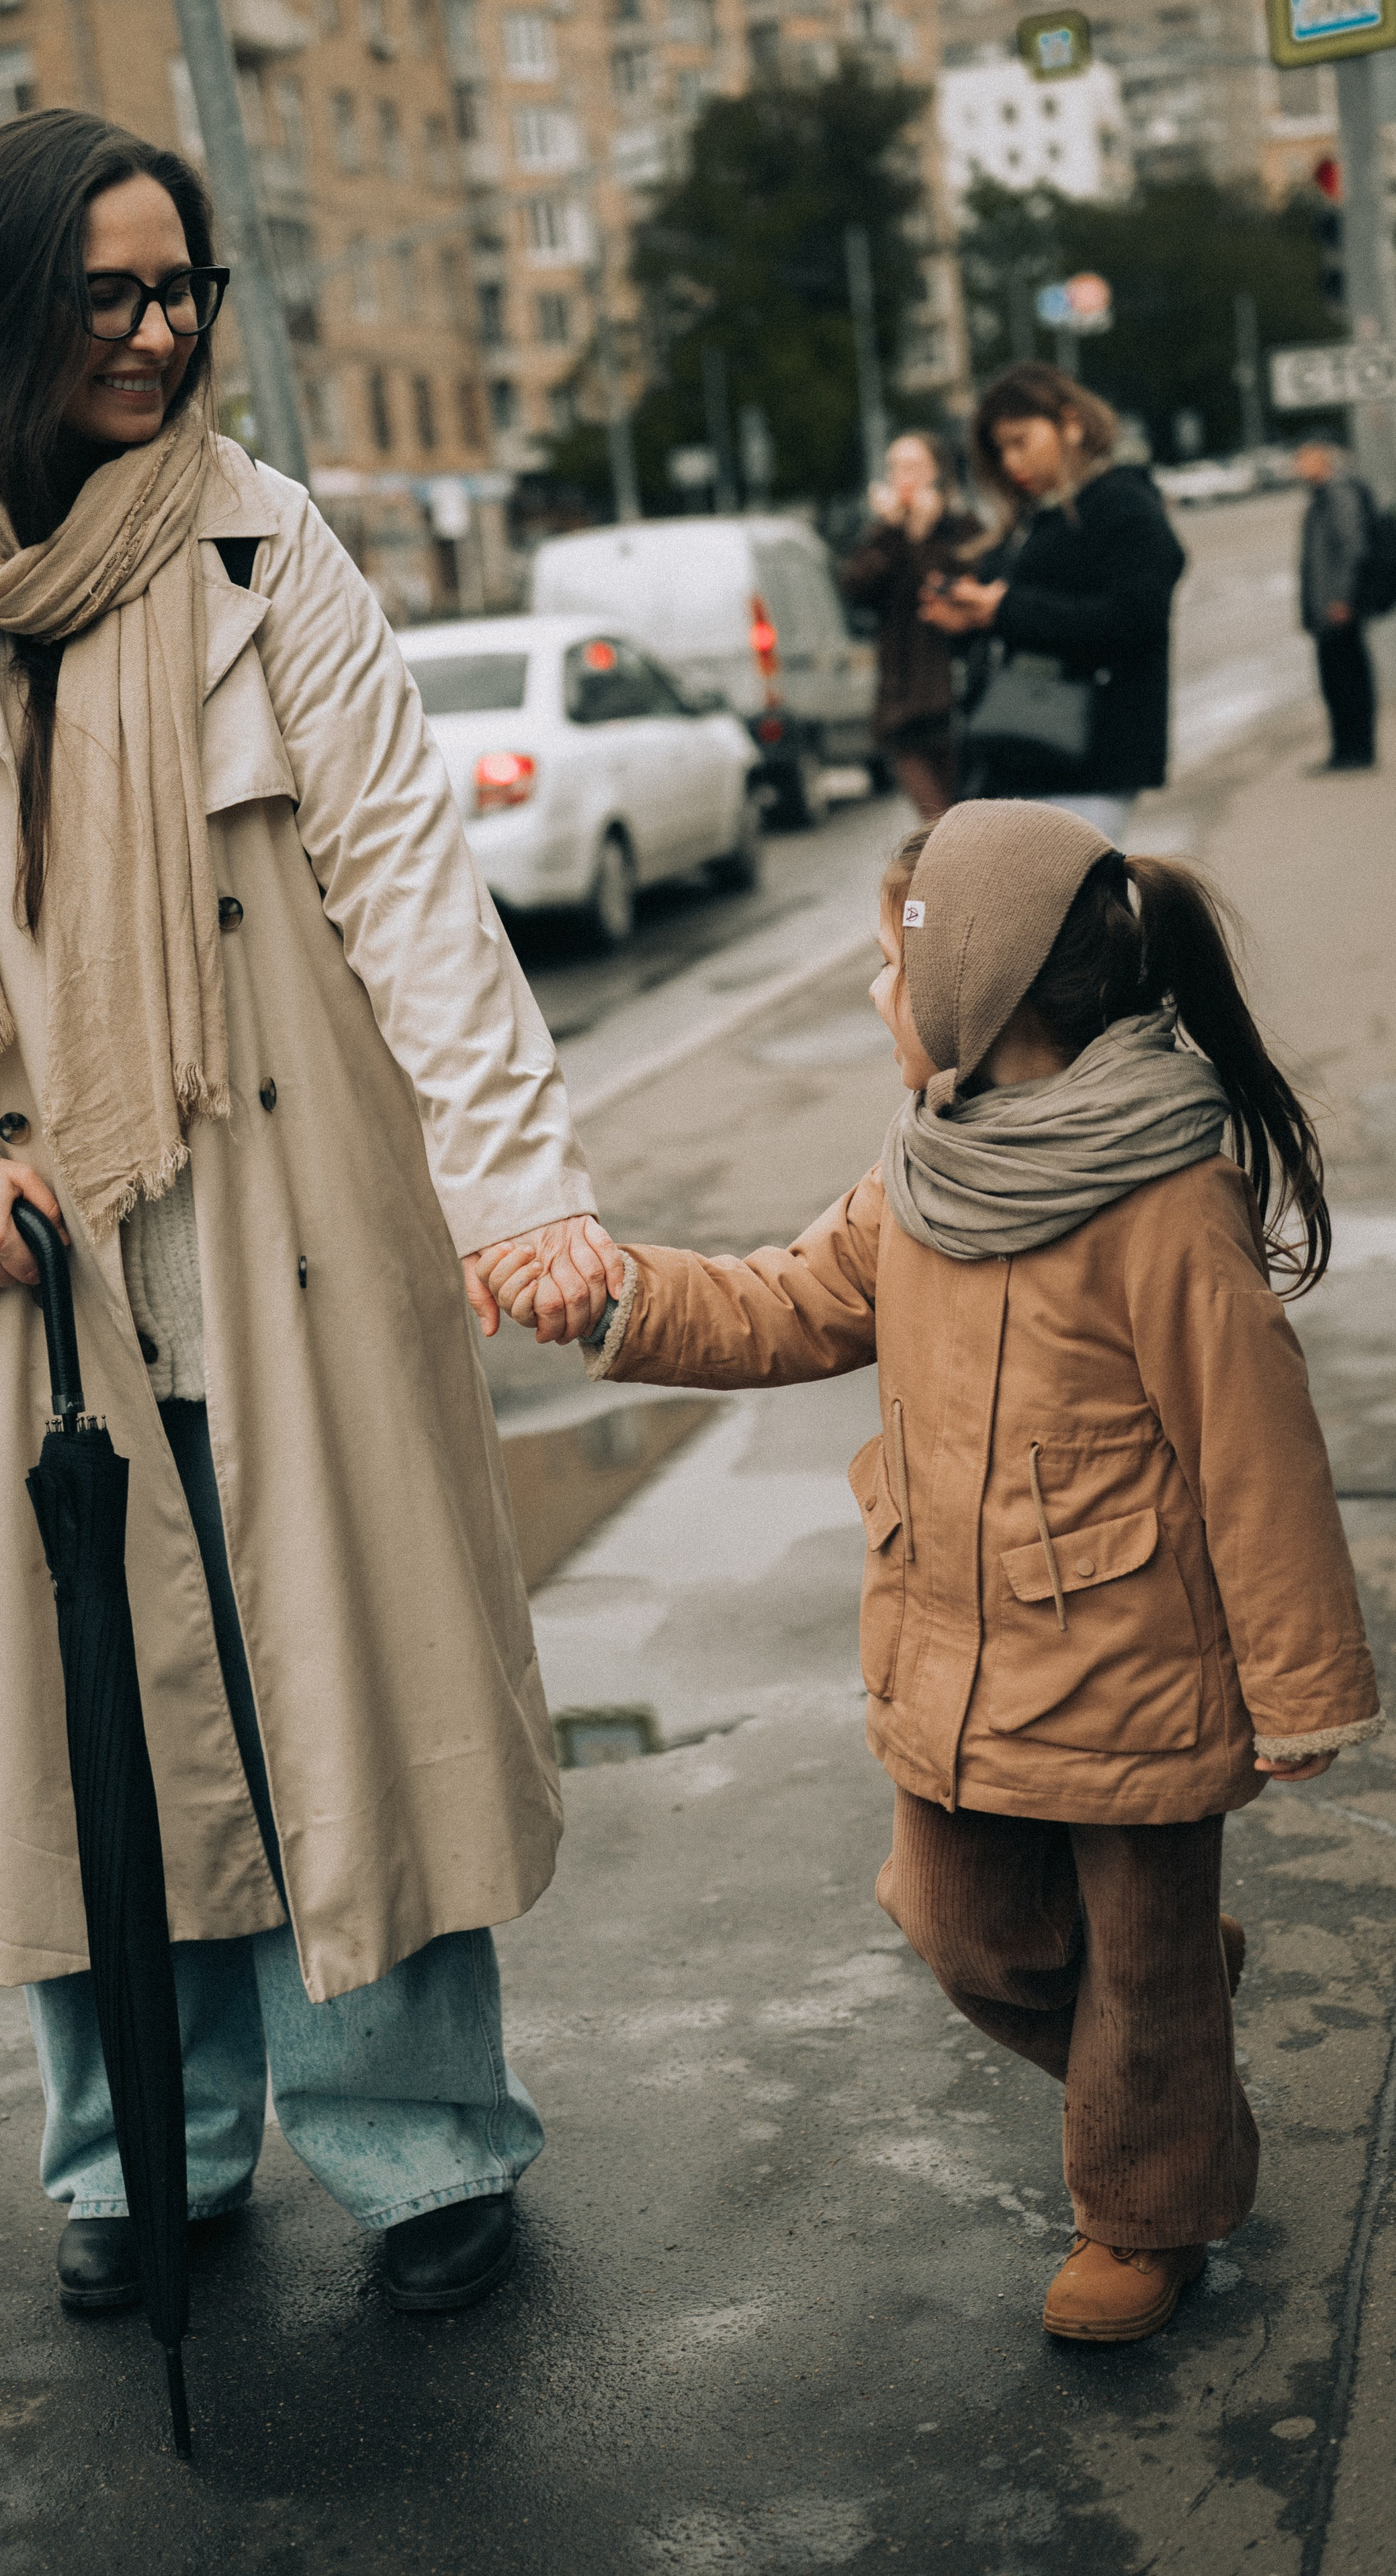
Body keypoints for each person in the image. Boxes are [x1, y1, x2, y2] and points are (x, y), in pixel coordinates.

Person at [0, 110, 623, 2321]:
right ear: (7, 302)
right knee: (85, 1723)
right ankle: (140, 2154)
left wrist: (516, 1197)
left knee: (347, 1679)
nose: (154, 333)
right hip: (13, 1262)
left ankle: (416, 2142)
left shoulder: (257, 542)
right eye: (106, 293)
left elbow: (407, 874)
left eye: (182, 288)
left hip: (282, 1226)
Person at [483, 799, 1380, 2345]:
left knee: (1140, 1974)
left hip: (1135, 1665)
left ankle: (1147, 2208)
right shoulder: (923, 1170)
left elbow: (1256, 1456)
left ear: (977, 988)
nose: (872, 999)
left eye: (885, 970)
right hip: (952, 1648)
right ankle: (1160, 2035)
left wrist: (1300, 1688)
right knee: (961, 1928)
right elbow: (779, 1300)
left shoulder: (1163, 1198)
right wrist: (620, 1294)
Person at [921, 363, 1184, 848]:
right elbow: (1024, 622)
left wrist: (1004, 611)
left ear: (1071, 423)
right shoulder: (1035, 518)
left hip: (1090, 756)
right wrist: (970, 622)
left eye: (1021, 441)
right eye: (1000, 449)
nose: (1010, 462)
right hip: (1027, 750)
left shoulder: (1121, 505)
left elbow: (1134, 618)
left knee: (1069, 914)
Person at [836, 431, 979, 823]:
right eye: (895, 467)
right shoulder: (887, 534)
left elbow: (945, 590)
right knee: (935, 823)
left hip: (954, 697)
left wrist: (921, 536)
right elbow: (855, 587)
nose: (903, 477)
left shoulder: (961, 529)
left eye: (914, 466)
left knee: (962, 818)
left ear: (938, 473)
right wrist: (896, 531)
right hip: (902, 701)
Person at [1295, 439, 1378, 772]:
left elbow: (1352, 547)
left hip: (1337, 607)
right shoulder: (1322, 495)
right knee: (1338, 681)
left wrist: (1343, 598)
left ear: (1322, 461)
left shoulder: (1337, 493)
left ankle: (1355, 752)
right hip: (1327, 606)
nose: (1297, 466)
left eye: (1303, 459)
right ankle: (1347, 750)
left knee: (1347, 681)